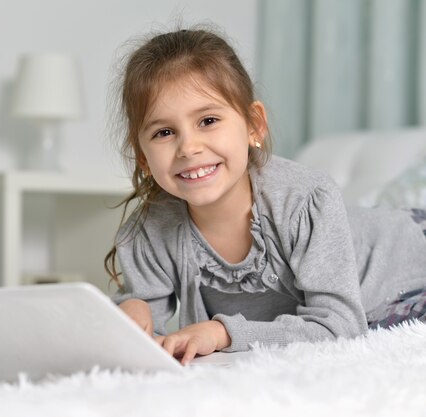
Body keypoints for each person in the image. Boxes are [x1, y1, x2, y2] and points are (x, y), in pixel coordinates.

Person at [105, 27, 426, 365]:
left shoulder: (305, 200)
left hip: (408, 255)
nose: (189, 148)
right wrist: (133, 310)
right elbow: (145, 335)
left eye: (208, 120)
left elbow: (339, 328)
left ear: (253, 125)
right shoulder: (151, 230)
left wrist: (223, 333)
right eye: (164, 132)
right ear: (143, 157)